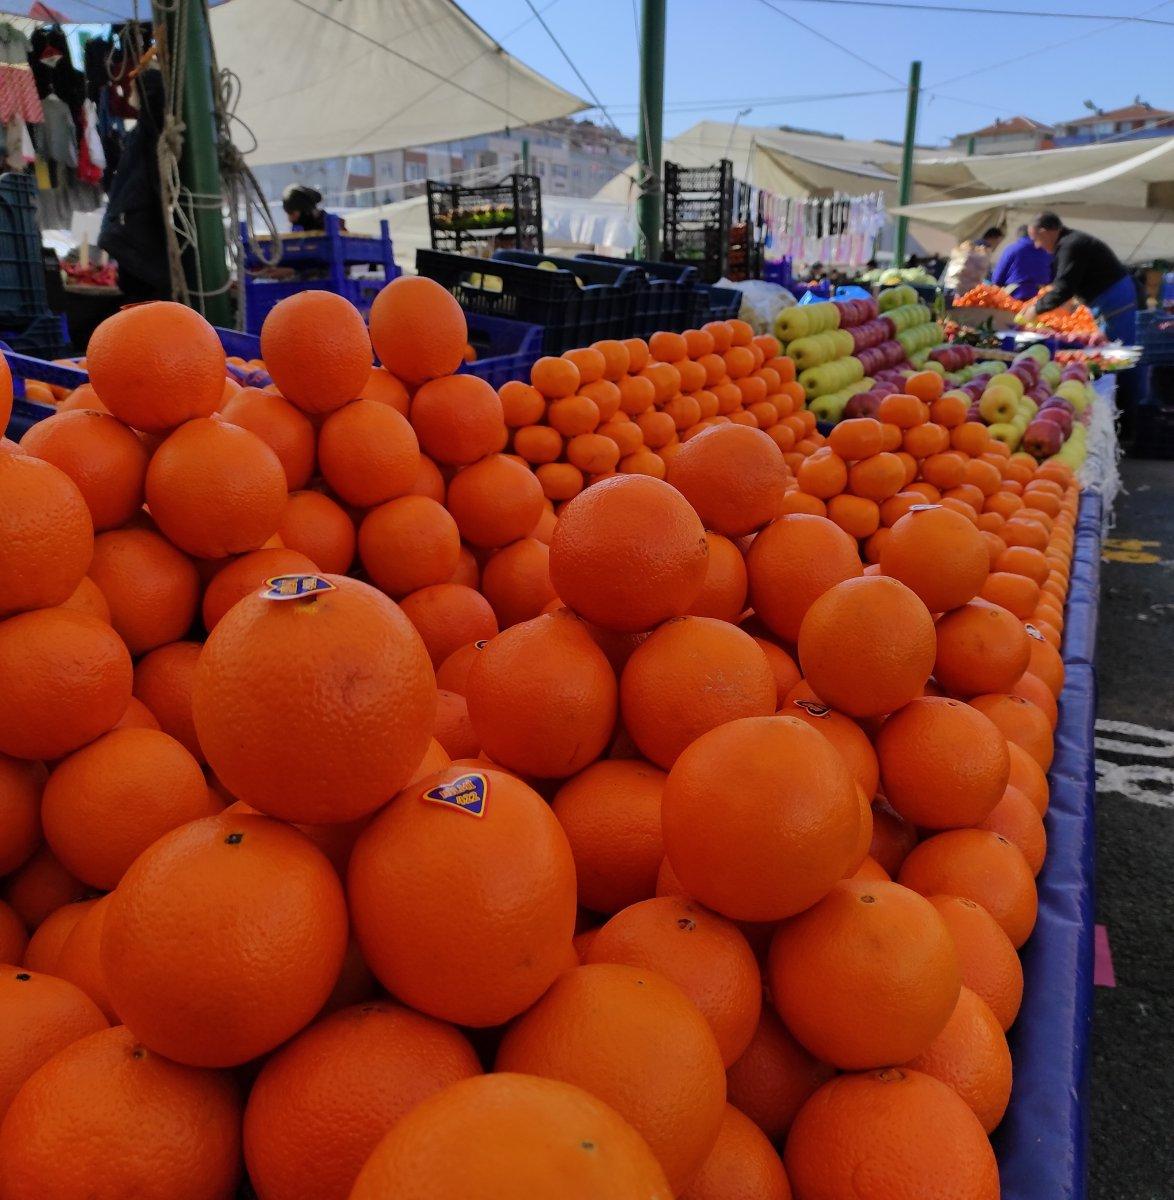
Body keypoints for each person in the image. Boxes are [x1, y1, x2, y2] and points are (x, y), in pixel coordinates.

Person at [1020, 212, 1137, 343]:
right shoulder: (1068, 242)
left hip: (1114, 298)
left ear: (1044, 232)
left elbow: (1064, 288)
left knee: (1119, 347)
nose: (1037, 245)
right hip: (1108, 298)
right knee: (1108, 345)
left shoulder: (1071, 245)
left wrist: (1035, 309)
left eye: (1036, 239)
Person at [991, 225, 1053, 301]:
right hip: (1039, 297)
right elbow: (1053, 275)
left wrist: (997, 284)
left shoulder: (1012, 249)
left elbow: (998, 276)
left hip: (1014, 294)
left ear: (1019, 236)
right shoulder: (1047, 251)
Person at [941, 227, 1005, 298]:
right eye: (998, 242)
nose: (997, 245)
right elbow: (986, 273)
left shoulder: (972, 245)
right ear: (993, 238)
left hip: (950, 286)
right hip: (963, 292)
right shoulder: (983, 250)